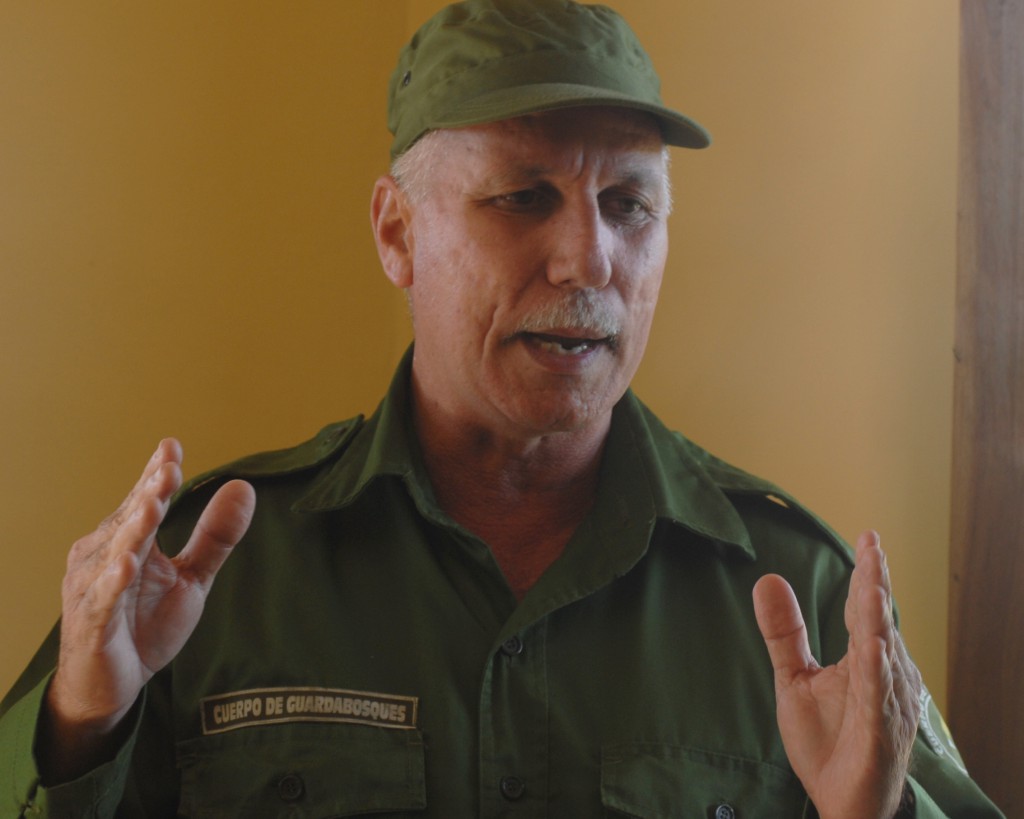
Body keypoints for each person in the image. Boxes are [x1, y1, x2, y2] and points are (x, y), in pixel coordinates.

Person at [0, 1, 1004, 816]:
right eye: (523, 197)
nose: (588, 260)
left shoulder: (802, 596)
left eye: (628, 205)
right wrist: (83, 725)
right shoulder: (200, 582)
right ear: (397, 233)